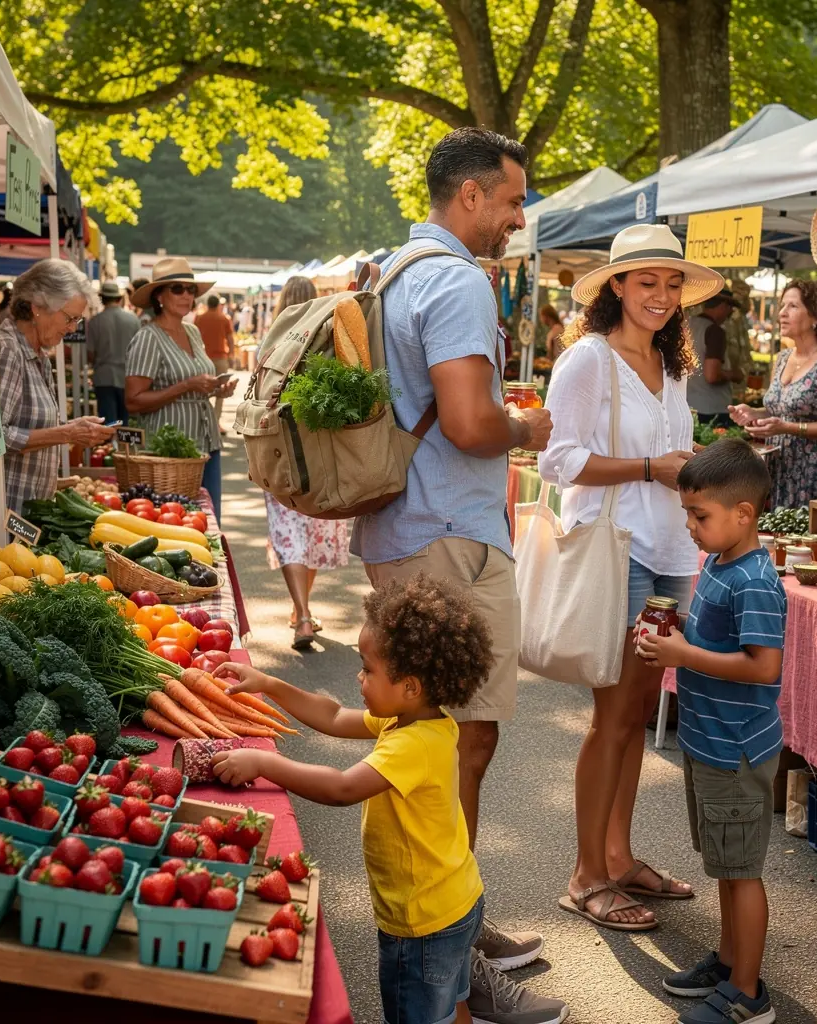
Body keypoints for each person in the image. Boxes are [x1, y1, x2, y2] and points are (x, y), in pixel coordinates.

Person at [352, 127, 568, 1024]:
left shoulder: (396, 270)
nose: (518, 220)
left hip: (411, 526)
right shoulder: (454, 280)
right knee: (454, 750)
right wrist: (529, 426)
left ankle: (458, 936)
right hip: (448, 531)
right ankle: (454, 961)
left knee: (442, 749)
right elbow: (472, 424)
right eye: (513, 201)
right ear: (471, 195)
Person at [540, 223, 725, 932]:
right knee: (611, 717)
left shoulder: (674, 363)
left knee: (643, 706)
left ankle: (617, 856)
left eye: (672, 283)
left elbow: (671, 452)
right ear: (615, 286)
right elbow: (558, 461)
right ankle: (585, 875)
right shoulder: (589, 360)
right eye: (647, 281)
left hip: (673, 554)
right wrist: (652, 468)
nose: (662, 295)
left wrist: (711, 451)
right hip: (619, 550)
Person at [210, 575, 492, 1024]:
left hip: (421, 924)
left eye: (368, 668)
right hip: (456, 903)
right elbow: (334, 715)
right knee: (454, 1003)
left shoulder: (411, 745)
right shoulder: (415, 721)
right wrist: (268, 683)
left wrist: (265, 765)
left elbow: (342, 787)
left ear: (411, 685)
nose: (358, 677)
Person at [638, 438, 786, 1024]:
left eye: (700, 516)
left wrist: (684, 655)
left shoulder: (753, 578)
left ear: (743, 514)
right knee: (726, 865)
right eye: (688, 516)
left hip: (736, 751)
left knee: (742, 872)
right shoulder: (721, 563)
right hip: (709, 743)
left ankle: (748, 994)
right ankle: (729, 964)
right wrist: (672, 637)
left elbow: (763, 666)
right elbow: (714, 643)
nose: (692, 527)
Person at [264, 276, 350, 650]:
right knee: (313, 526)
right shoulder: (323, 338)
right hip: (319, 448)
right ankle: (302, 610)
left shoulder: (271, 342)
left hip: (277, 449)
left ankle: (300, 611)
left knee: (288, 530)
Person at [0, 259, 117, 511]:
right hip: (6, 512)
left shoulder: (38, 355)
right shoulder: (7, 350)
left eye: (78, 320)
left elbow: (28, 427)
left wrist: (70, 428)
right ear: (37, 307)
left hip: (29, 510)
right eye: (70, 318)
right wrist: (67, 433)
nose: (73, 328)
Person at [125, 258, 238, 522]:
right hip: (170, 451)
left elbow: (195, 384)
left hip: (206, 439)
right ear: (159, 296)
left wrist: (216, 389)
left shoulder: (193, 331)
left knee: (208, 520)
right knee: (177, 522)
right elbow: (133, 400)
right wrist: (186, 385)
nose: (187, 295)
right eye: (178, 288)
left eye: (190, 289)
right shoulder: (147, 338)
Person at [728, 281, 817, 508]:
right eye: (782, 306)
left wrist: (787, 428)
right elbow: (780, 410)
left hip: (813, 472)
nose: (782, 313)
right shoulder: (782, 358)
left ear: (816, 317)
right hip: (778, 468)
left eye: (793, 306)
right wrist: (753, 412)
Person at [86, 280, 141, 426]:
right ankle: (124, 448)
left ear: (102, 299)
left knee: (109, 423)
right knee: (126, 422)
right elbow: (139, 351)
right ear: (119, 298)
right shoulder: (133, 320)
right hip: (128, 377)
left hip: (104, 377)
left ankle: (110, 447)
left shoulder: (95, 322)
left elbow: (90, 354)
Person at [686, 289, 740, 425]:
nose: (731, 312)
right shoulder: (714, 331)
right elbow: (712, 376)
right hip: (712, 410)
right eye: (730, 308)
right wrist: (735, 375)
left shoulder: (685, 325)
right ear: (723, 306)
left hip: (688, 405)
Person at [194, 294, 237, 433]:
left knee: (202, 390)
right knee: (221, 391)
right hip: (220, 358)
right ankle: (216, 422)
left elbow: (194, 337)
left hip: (203, 358)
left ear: (207, 304)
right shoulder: (224, 318)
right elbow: (230, 338)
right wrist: (231, 354)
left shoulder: (200, 317)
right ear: (218, 304)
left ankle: (202, 422)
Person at [724, 280, 756, 398]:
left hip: (740, 377)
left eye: (744, 294)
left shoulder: (741, 318)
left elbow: (744, 347)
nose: (740, 296)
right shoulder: (726, 320)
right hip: (729, 379)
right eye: (738, 292)